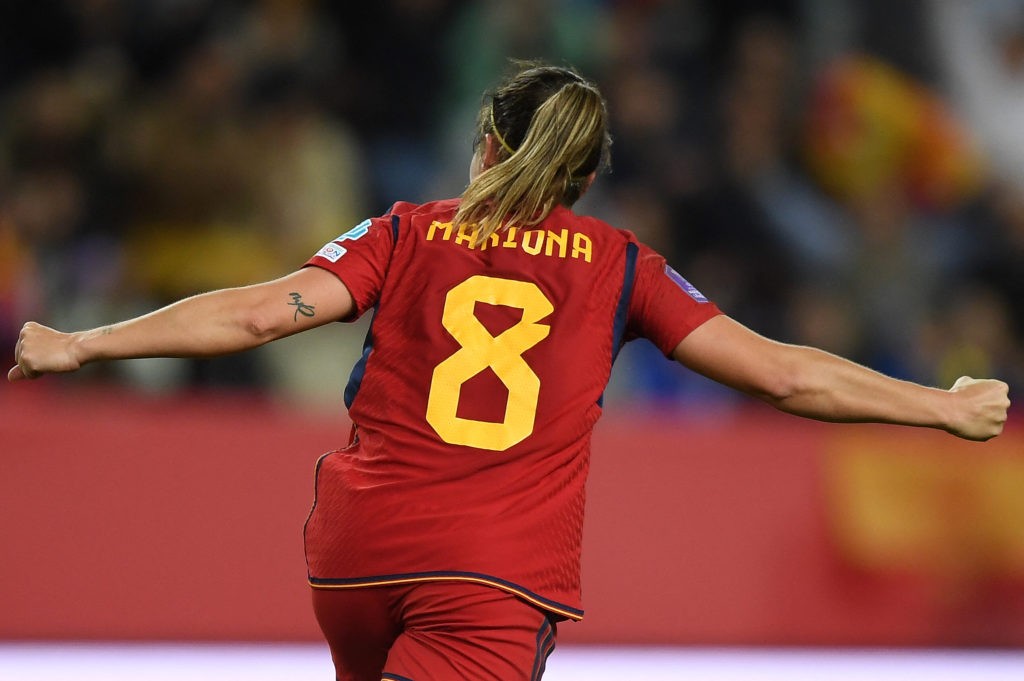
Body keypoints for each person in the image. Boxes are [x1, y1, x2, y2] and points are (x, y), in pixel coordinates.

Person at [8, 62, 1011, 681]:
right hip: (486, 577)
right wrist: (940, 405)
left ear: (484, 145)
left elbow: (262, 312)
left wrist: (87, 343)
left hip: (356, 558)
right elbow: (784, 376)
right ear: (581, 176)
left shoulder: (405, 232)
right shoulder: (621, 265)